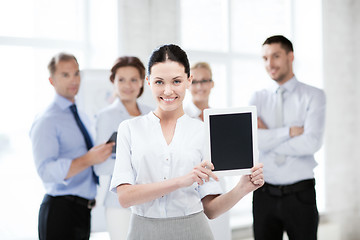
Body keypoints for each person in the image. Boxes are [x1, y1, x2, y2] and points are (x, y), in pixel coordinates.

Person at [109, 44, 264, 240]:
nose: (167, 91)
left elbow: (211, 210)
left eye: (176, 81)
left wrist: (242, 188)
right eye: (159, 82)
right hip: (142, 231)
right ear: (148, 82)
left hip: (193, 230)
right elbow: (124, 197)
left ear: (188, 81)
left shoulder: (203, 131)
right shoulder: (129, 129)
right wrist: (181, 181)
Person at [30, 53, 114, 240]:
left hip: (83, 210)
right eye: (65, 75)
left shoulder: (82, 115)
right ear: (52, 80)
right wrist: (88, 159)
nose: (73, 80)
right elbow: (45, 170)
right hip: (60, 211)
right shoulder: (47, 120)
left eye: (76, 73)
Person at [250, 35, 326, 240]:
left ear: (290, 56)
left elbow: (311, 143)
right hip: (264, 195)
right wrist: (288, 132)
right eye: (265, 58)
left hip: (300, 196)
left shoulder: (314, 96)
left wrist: (268, 139)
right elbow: (252, 141)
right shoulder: (257, 97)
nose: (270, 64)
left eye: (276, 56)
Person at [94, 56, 153, 240]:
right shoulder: (106, 117)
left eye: (133, 79)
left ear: (143, 82)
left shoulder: (151, 114)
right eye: (121, 80)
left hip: (151, 200)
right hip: (120, 205)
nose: (128, 85)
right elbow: (100, 166)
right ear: (113, 81)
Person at [184, 62, 231, 240]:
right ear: (188, 84)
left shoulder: (221, 117)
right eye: (195, 81)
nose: (200, 86)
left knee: (218, 232)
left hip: (218, 182)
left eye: (205, 81)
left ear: (212, 84)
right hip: (192, 186)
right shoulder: (182, 117)